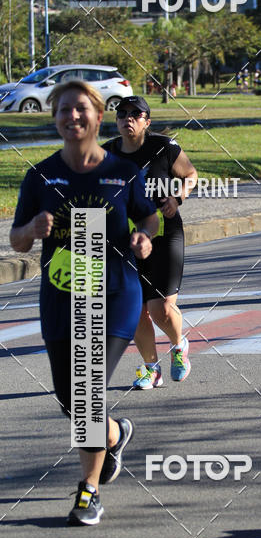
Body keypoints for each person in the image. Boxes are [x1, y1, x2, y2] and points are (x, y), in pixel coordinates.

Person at [10, 80, 159, 525]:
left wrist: (144, 236)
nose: (72, 118)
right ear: (55, 119)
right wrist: (32, 229)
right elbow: (16, 241)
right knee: (69, 397)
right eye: (64, 111)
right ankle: (113, 434)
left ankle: (88, 491)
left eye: (81, 110)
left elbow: (148, 215)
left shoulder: (122, 173)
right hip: (60, 295)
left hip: (114, 292)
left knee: (87, 389)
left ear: (97, 116)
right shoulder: (40, 176)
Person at [103, 96, 198, 389]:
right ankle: (150, 368)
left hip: (165, 232)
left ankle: (178, 345)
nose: (127, 118)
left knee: (160, 309)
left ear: (147, 121)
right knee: (134, 310)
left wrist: (177, 196)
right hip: (125, 240)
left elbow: (191, 175)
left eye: (135, 114)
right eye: (122, 114)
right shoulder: (105, 154)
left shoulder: (163, 148)